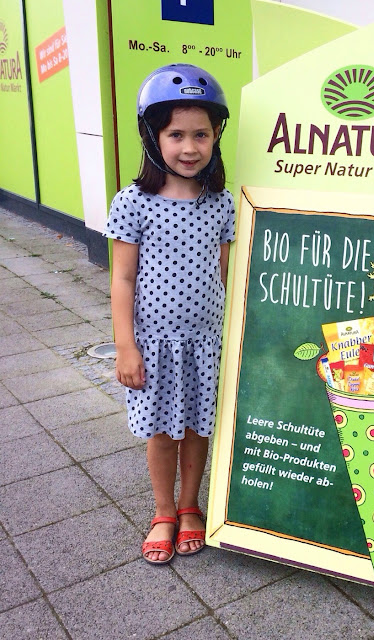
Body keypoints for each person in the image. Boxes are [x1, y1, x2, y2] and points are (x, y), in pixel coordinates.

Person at [105, 64, 234, 564]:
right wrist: (125, 345)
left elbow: (224, 273)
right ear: (153, 136)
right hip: (154, 343)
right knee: (161, 431)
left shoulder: (220, 202)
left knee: (199, 427)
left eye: (201, 134)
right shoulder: (132, 202)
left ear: (215, 135)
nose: (189, 147)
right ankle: (162, 511)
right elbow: (122, 278)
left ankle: (189, 508)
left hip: (205, 342)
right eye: (176, 134)